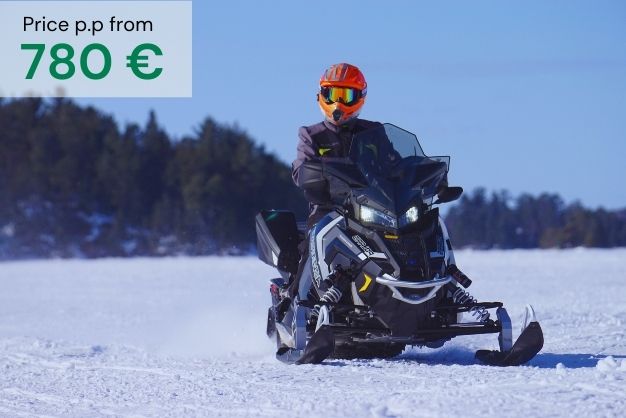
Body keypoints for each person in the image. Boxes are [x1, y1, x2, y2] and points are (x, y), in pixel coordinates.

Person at [292, 63, 381, 227]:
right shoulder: (311, 135)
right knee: (313, 243)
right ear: (321, 95)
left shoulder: (374, 133)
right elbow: (301, 171)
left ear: (360, 97)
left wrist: (430, 175)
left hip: (375, 209)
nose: (338, 103)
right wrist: (319, 171)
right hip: (328, 210)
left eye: (346, 96)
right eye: (332, 94)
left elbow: (395, 163)